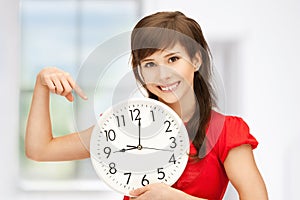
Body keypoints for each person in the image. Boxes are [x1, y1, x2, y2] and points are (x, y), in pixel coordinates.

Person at [25, 11, 268, 200]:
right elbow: (41, 150)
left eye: (173, 59)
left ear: (196, 59)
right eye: (150, 64)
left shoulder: (226, 131)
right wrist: (41, 84)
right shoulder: (124, 125)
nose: (162, 75)